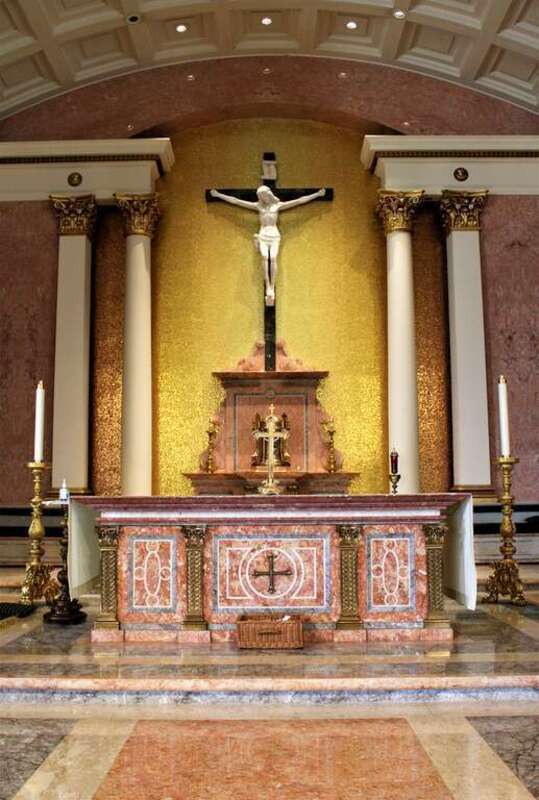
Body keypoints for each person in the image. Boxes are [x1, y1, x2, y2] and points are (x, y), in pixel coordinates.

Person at [210, 185, 325, 305]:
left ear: (267, 195)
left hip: (274, 236)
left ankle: (272, 286)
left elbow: (299, 201)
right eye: (260, 196)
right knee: (265, 257)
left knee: (273, 257)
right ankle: (268, 286)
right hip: (263, 236)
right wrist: (218, 195)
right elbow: (237, 202)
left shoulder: (277, 205)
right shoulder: (258, 206)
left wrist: (317, 195)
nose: (261, 198)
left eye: (263, 196)